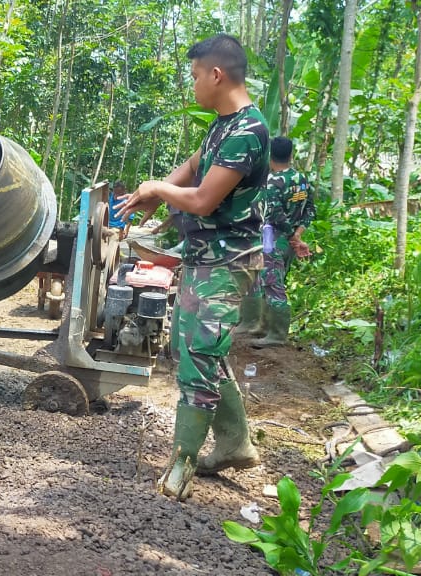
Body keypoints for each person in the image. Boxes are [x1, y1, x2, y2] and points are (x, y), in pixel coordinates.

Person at [119, 34, 268, 501]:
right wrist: (155, 191)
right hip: (204, 258)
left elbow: (203, 200)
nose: (193, 85)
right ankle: (235, 445)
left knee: (199, 356)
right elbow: (195, 165)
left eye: (194, 76)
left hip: (227, 262)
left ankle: (181, 465)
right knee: (192, 348)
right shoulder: (224, 125)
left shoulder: (249, 132)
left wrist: (159, 189)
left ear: (216, 75)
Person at [239, 137, 315, 348]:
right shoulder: (302, 179)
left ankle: (277, 335)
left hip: (274, 240)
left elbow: (275, 215)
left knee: (273, 285)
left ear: (269, 155)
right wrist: (298, 235)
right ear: (291, 155)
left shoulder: (272, 182)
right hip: (289, 243)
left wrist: (292, 235)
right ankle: (263, 326)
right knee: (267, 281)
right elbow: (310, 210)